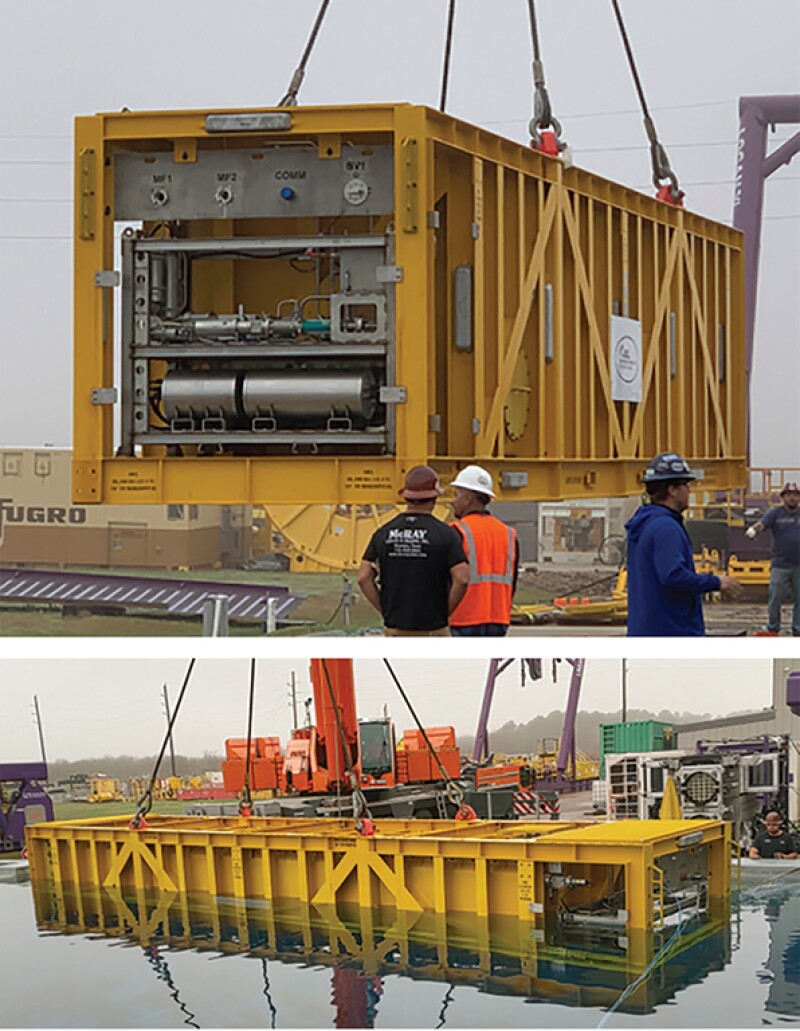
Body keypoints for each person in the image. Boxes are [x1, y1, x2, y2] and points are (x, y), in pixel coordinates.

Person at [625, 452, 741, 636]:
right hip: (671, 631)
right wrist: (716, 581)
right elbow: (673, 576)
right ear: (672, 490)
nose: (689, 491)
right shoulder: (666, 527)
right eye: (686, 485)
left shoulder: (644, 524)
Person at [358, 465, 469, 636]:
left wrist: (386, 611)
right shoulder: (446, 534)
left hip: (394, 628)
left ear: (406, 497)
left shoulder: (383, 533)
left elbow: (364, 577)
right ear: (434, 498)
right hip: (433, 629)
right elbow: (462, 578)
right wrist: (443, 613)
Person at [447, 465, 519, 637]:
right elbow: (513, 580)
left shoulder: (457, 531)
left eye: (456, 494)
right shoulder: (509, 534)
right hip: (499, 619)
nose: (453, 501)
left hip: (463, 618)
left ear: (468, 498)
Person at [745, 482, 800, 636]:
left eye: (795, 495)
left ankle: (798, 630)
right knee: (775, 597)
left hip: (799, 566)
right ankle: (773, 628)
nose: (792, 498)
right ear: (783, 497)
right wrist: (753, 531)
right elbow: (762, 524)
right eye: (789, 495)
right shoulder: (775, 513)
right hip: (780, 565)